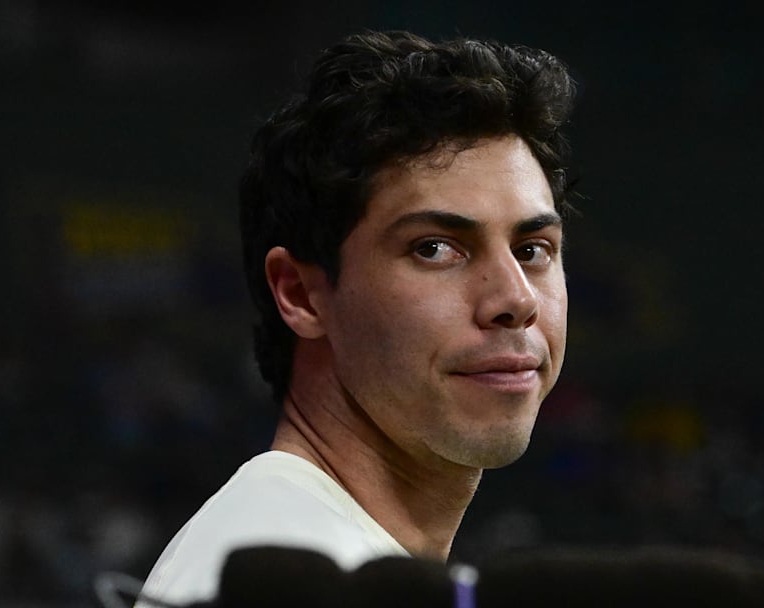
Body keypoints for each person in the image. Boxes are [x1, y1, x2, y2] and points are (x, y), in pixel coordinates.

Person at [137, 28, 577, 606]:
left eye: (532, 250)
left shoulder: (337, 564)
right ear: (300, 294)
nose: (516, 299)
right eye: (435, 248)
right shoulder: (276, 582)